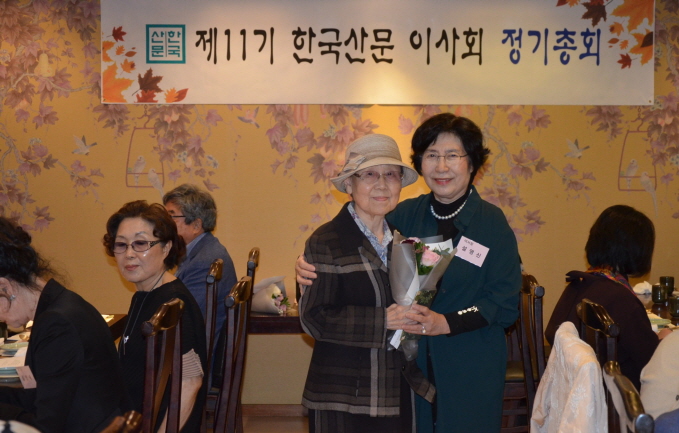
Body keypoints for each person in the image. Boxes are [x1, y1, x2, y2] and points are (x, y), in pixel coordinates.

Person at [298, 114, 522, 432]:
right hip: (410, 371)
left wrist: (446, 322)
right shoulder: (404, 215)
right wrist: (306, 267)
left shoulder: (491, 224)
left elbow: (504, 303)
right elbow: (355, 240)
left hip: (469, 363)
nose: (441, 167)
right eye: (432, 155)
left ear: (472, 163)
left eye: (452, 155)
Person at [299, 134, 434, 433]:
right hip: (343, 395)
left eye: (391, 175)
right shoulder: (326, 241)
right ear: (349, 184)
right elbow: (313, 318)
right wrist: (383, 320)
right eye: (370, 174)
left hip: (398, 387)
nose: (382, 184)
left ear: (401, 183)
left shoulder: (406, 242)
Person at [0, 217, 127, 433]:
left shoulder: (57, 325)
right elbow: (37, 395)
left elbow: (45, 426)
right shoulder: (63, 304)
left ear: (5, 287)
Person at [103, 200, 207, 433]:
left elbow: (191, 382)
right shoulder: (144, 295)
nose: (129, 254)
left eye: (140, 244)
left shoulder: (174, 305)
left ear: (167, 247)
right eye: (121, 245)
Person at [546, 204, 669, 390]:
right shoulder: (620, 299)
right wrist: (666, 341)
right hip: (620, 394)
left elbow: (550, 333)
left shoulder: (580, 282)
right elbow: (652, 360)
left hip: (580, 389)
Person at [162, 184, 237, 377]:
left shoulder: (205, 261)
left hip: (197, 363)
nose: (163, 224)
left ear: (196, 225)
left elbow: (183, 319)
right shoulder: (201, 250)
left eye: (171, 217)